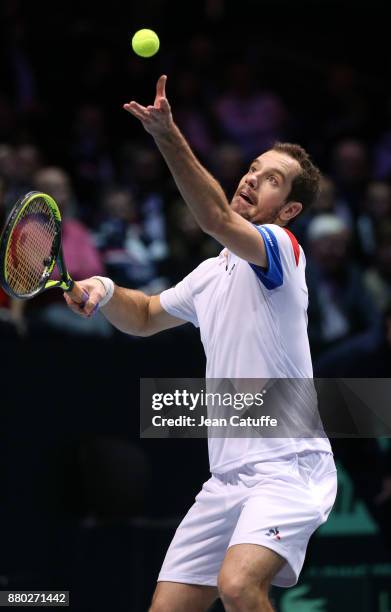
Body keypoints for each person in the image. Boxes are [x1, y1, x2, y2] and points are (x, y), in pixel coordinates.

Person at [65, 75, 337, 612]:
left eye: (273, 180)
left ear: (289, 212)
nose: (254, 179)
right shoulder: (211, 274)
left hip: (289, 464)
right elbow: (143, 315)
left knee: (239, 587)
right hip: (227, 477)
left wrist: (167, 135)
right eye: (255, 168)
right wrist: (104, 288)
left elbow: (213, 216)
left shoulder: (281, 250)